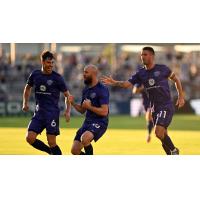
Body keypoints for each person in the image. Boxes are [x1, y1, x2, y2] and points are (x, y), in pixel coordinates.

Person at [101, 46, 185, 155]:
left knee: (158, 132)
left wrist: (181, 96)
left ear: (152, 56)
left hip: (165, 105)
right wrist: (115, 82)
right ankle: (170, 154)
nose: (142, 57)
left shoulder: (162, 68)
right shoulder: (140, 73)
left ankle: (174, 151)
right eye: (141, 55)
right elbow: (127, 84)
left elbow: (176, 79)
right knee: (163, 135)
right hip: (154, 108)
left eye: (145, 54)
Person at [22, 51, 71, 155]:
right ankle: (50, 152)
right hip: (39, 113)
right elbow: (27, 88)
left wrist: (67, 111)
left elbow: (68, 95)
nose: (51, 65)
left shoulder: (57, 78)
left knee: (51, 142)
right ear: (42, 62)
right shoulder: (35, 74)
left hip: (52, 114)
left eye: (52, 63)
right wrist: (25, 103)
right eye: (48, 62)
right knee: (29, 138)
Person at [69, 64, 109, 155]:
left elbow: (104, 112)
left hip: (100, 122)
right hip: (87, 122)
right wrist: (73, 103)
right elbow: (83, 110)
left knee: (85, 138)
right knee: (74, 150)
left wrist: (90, 107)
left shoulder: (102, 89)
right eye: (83, 72)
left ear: (94, 74)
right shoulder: (86, 89)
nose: (83, 74)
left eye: (86, 72)